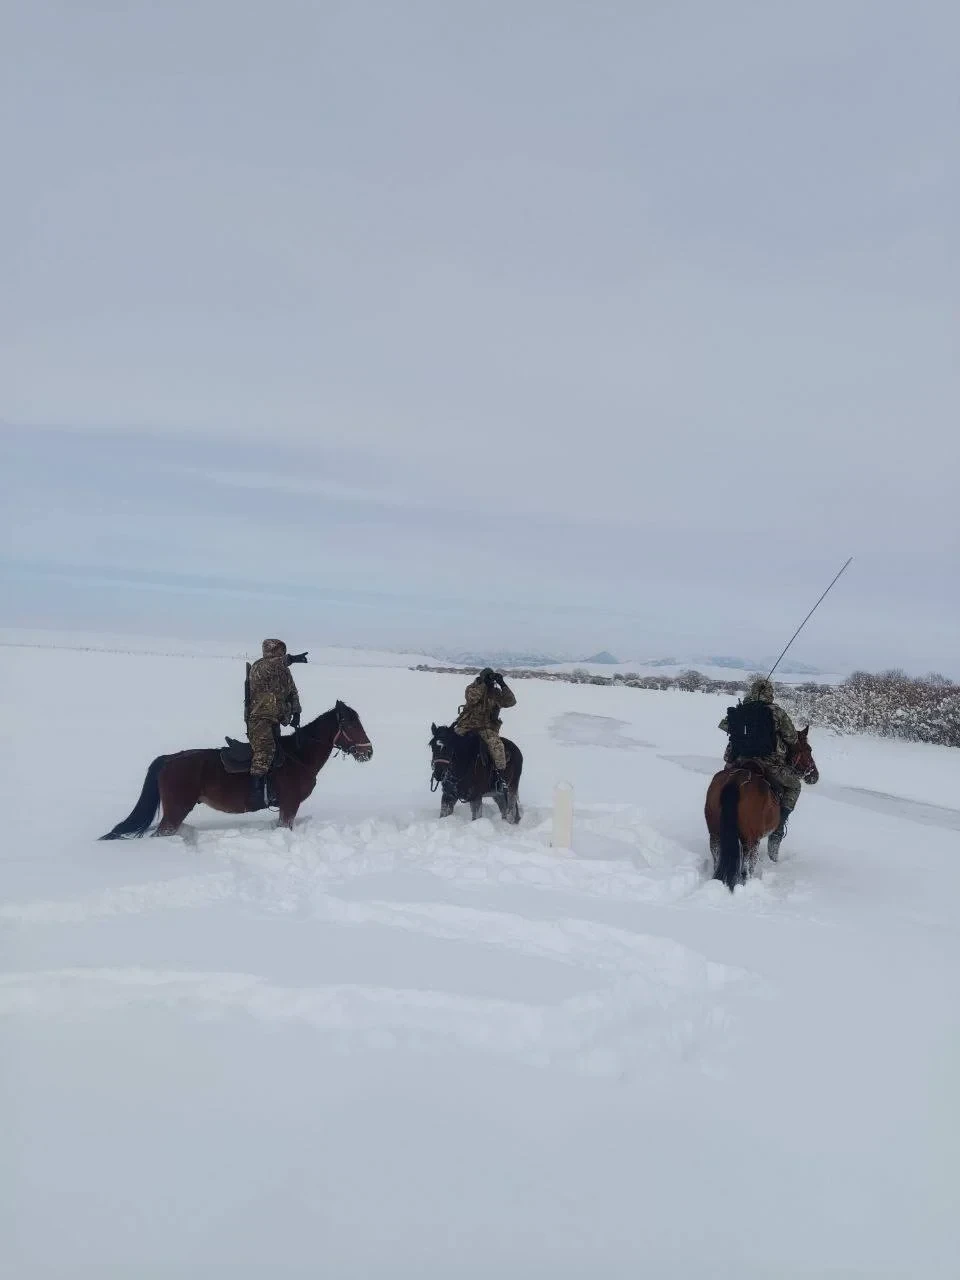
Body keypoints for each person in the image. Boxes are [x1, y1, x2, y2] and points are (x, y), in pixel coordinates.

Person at [719, 676, 800, 851]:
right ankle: (778, 828)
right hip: (769, 763)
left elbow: (725, 726)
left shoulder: (741, 709)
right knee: (795, 785)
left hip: (739, 761)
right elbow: (792, 737)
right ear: (770, 693)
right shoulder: (776, 711)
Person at [245, 638, 302, 807]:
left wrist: (296, 711)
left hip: (277, 719)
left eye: (282, 651)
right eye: (278, 651)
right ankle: (255, 793)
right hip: (259, 719)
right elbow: (271, 665)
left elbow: (292, 691)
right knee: (265, 749)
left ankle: (273, 790)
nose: (281, 654)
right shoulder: (259, 667)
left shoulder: (284, 671)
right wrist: (289, 659)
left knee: (280, 754)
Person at [454, 668, 516, 790]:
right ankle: (446, 771)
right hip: (467, 726)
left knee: (497, 747)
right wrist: (483, 684)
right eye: (487, 677)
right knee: (450, 741)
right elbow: (472, 699)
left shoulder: (496, 693)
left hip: (487, 728)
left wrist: (503, 684)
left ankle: (500, 777)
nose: (490, 681)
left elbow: (511, 701)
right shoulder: (472, 688)